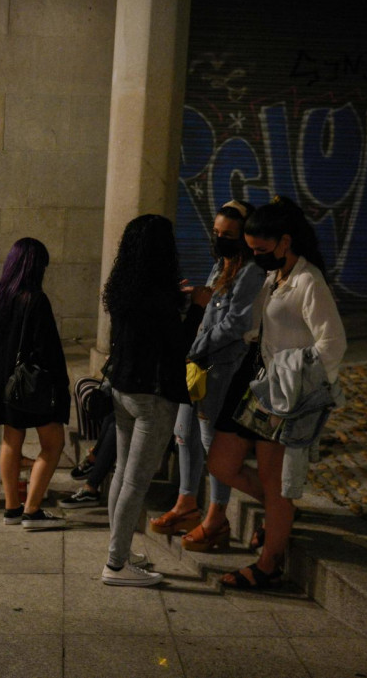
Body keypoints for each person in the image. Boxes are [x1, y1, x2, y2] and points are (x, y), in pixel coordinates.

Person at [208, 196, 346, 590]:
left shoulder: (308, 281)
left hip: (285, 390)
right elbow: (255, 328)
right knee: (222, 463)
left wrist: (295, 374)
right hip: (257, 383)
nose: (256, 256)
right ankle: (278, 513)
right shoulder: (274, 277)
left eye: (261, 249)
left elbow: (332, 344)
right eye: (252, 250)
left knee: (275, 479)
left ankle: (269, 562)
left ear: (285, 241)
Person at [150, 200, 264, 551]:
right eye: (216, 233)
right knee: (184, 433)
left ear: (245, 236)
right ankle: (187, 503)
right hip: (198, 362)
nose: (219, 240)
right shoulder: (221, 266)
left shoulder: (251, 272)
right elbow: (211, 310)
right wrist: (192, 301)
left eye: (228, 234)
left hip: (220, 366)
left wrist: (197, 344)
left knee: (212, 441)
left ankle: (217, 516)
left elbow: (236, 323)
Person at [100, 214, 194, 586]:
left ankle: (118, 550)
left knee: (122, 474)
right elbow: (178, 344)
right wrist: (196, 307)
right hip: (152, 397)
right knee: (136, 482)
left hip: (123, 391)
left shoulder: (125, 287)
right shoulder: (159, 295)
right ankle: (116, 564)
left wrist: (178, 302)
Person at [0, 238, 70, 529]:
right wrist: (60, 385)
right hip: (32, 384)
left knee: (11, 440)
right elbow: (48, 349)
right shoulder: (35, 299)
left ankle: (11, 507)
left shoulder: (1, 297)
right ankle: (32, 510)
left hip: (6, 384)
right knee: (53, 443)